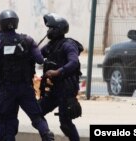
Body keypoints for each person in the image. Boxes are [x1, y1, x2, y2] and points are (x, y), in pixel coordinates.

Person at [0, 9, 54, 141]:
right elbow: (40, 60)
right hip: (26, 87)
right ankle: (47, 135)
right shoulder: (28, 40)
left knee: (1, 117)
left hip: (6, 88)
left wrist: (1, 78)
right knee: (37, 117)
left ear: (1, 24)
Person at [39, 13, 83, 141]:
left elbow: (73, 62)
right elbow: (38, 55)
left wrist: (58, 72)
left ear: (57, 30)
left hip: (67, 90)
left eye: (50, 28)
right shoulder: (51, 45)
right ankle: (48, 137)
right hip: (54, 89)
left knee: (65, 124)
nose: (48, 31)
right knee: (37, 112)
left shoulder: (68, 45)